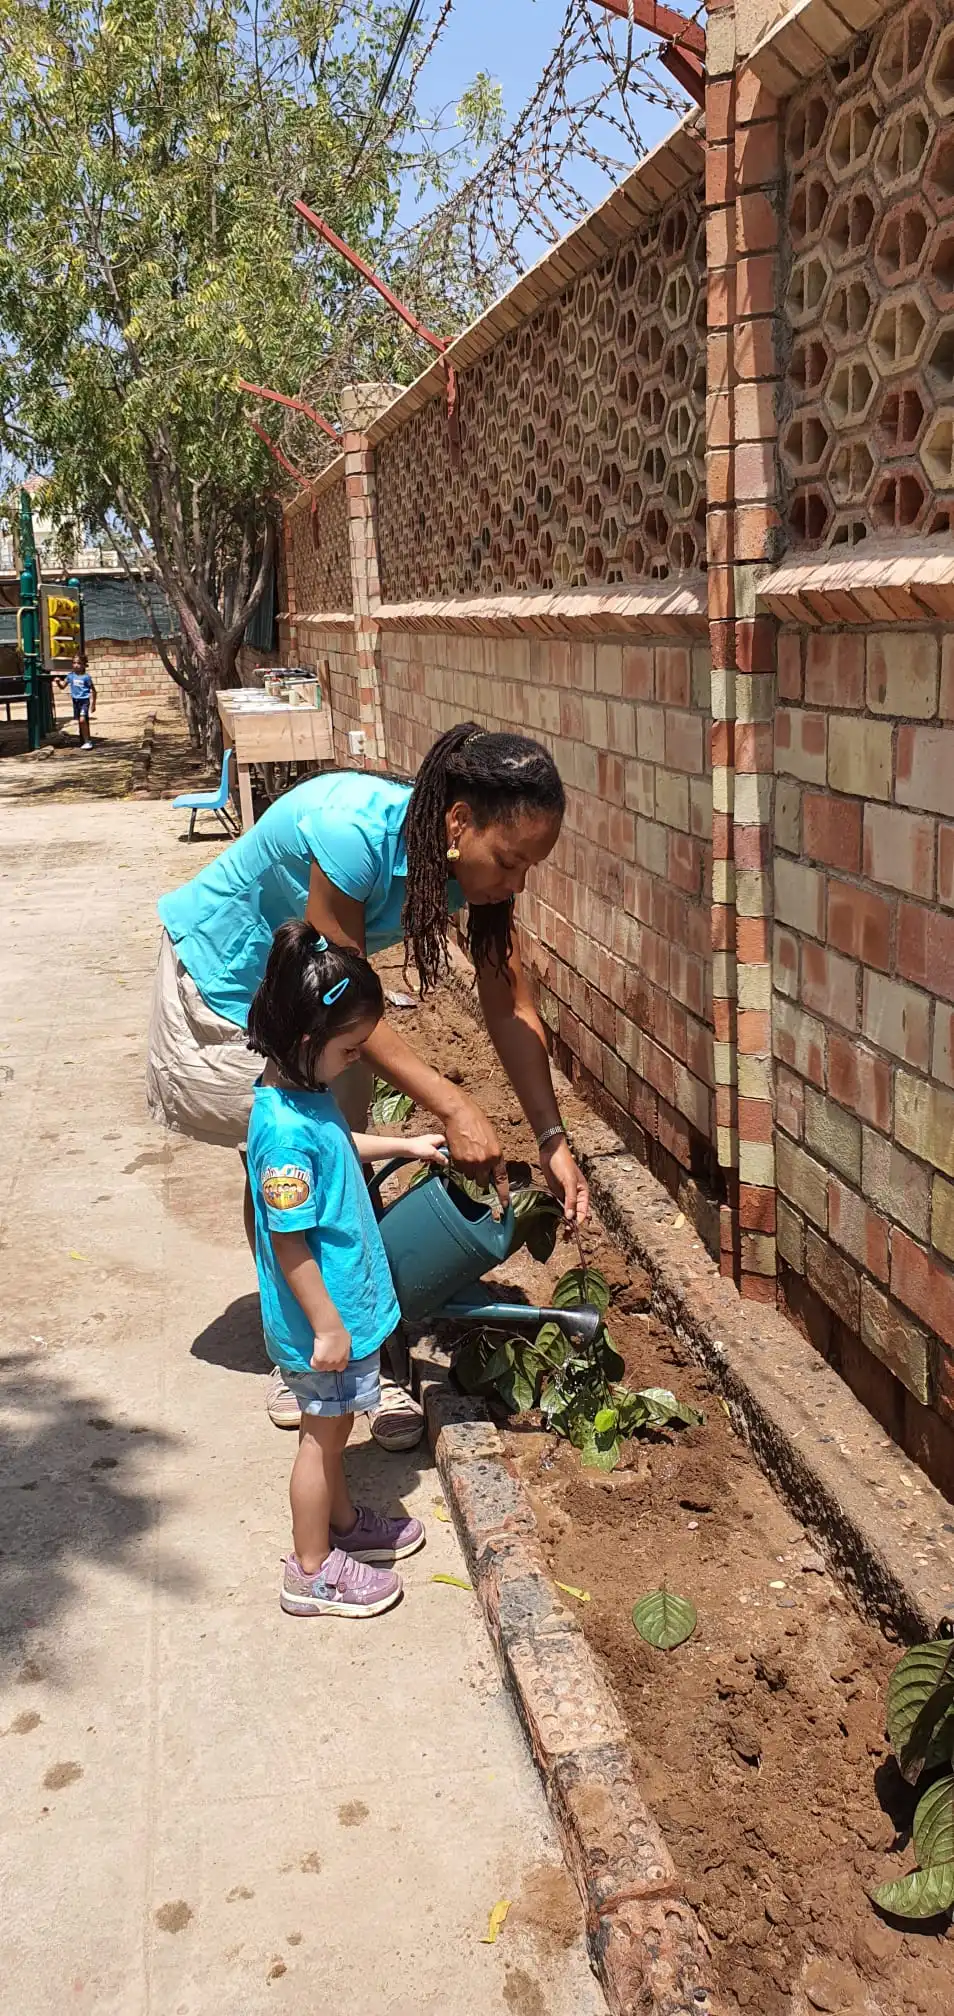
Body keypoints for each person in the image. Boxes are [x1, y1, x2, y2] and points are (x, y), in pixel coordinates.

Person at [147, 721, 589, 1442]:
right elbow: (346, 985)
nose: (516, 884)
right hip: (228, 983)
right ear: (458, 823)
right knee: (295, 1164)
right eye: (510, 862)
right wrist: (452, 1104)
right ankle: (313, 1364)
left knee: (338, 1164)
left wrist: (551, 1139)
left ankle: (358, 1344)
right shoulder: (351, 832)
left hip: (319, 1003)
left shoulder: (470, 871)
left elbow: (511, 1003)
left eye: (530, 869)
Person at [245, 922, 447, 1617]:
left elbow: (339, 1144)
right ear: (307, 1043)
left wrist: (406, 1144)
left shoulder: (303, 1100)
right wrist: (327, 1327)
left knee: (333, 1437)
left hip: (338, 1317)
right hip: (323, 1325)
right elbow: (289, 1242)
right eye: (351, 1050)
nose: (357, 1060)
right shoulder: (283, 1134)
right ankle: (310, 1571)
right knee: (319, 1439)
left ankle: (341, 1528)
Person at [57, 651, 96, 748]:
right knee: (80, 721)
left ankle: (87, 741)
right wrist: (58, 682)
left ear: (84, 665)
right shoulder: (70, 676)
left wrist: (93, 704)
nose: (76, 665)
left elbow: (94, 691)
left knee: (82, 720)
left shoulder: (86, 677)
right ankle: (84, 740)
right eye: (74, 663)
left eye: (79, 663)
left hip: (84, 701)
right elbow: (62, 686)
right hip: (75, 702)